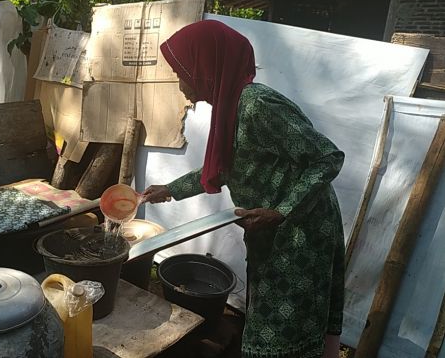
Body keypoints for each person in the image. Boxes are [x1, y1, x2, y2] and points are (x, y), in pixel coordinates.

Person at [142, 20, 345, 358]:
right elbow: (226, 168)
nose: (180, 84)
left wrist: (281, 211)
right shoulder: (229, 106)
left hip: (301, 231)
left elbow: (327, 157)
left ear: (207, 67)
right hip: (270, 228)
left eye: (184, 72)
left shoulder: (256, 105)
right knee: (268, 317)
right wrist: (170, 188)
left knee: (283, 329)